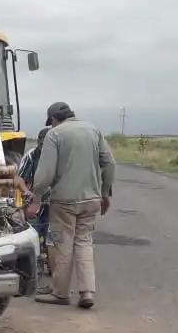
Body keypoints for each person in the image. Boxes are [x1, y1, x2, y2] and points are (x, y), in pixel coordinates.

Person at [29, 102, 115, 309]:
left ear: (54, 120)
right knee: (84, 242)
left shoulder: (55, 134)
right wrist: (105, 194)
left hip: (65, 201)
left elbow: (45, 173)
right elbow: (109, 163)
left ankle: (60, 293)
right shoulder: (93, 130)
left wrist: (36, 199)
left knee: (63, 244)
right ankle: (87, 292)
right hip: (91, 199)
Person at [18, 120, 55, 285]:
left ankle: (53, 264)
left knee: (53, 235)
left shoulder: (60, 156)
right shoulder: (31, 155)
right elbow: (20, 178)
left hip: (55, 201)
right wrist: (26, 192)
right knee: (34, 232)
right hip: (34, 199)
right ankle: (35, 264)